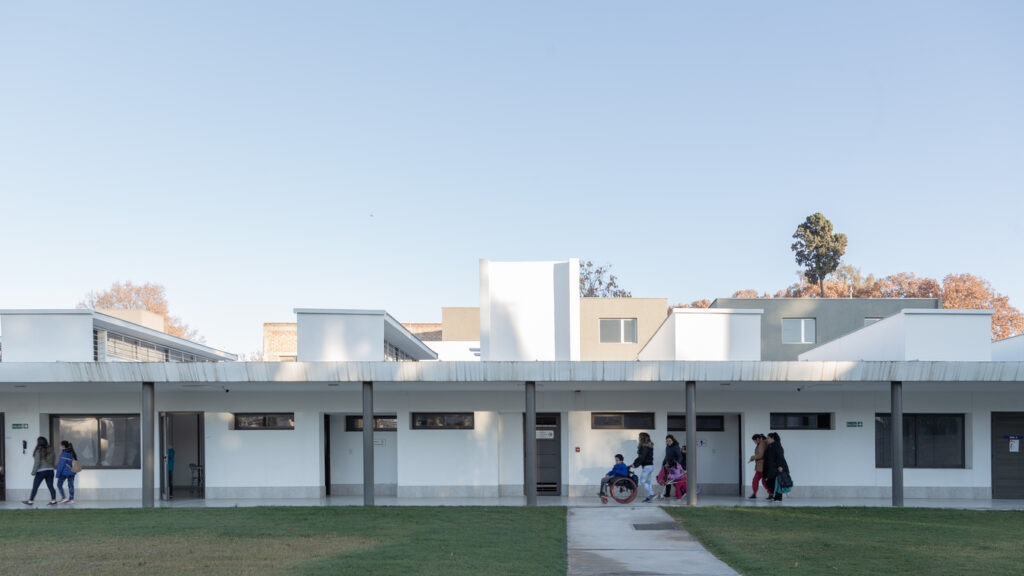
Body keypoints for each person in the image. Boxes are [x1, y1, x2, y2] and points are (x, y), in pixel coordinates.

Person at [24, 436, 58, 506]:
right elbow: (53, 461)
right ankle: (53, 501)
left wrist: (33, 472)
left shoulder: (38, 451)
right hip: (50, 471)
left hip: (41, 471)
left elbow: (37, 463)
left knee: (35, 487)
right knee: (51, 486)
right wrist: (54, 467)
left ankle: (30, 501)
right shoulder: (51, 451)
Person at [763, 432, 790, 502]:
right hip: (771, 468)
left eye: (768, 438)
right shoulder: (770, 446)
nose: (767, 440)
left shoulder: (776, 445)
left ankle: (778, 497)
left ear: (773, 438)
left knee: (776, 482)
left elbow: (779, 456)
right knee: (770, 481)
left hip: (776, 468)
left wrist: (780, 466)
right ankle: (775, 496)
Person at [633, 432, 656, 503]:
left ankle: (652, 494)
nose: (638, 438)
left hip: (647, 467)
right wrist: (635, 463)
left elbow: (642, 458)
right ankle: (650, 498)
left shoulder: (644, 447)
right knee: (648, 482)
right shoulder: (649, 446)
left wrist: (635, 464)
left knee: (642, 481)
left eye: (640, 437)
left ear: (642, 438)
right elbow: (642, 457)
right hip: (650, 466)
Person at [748, 433, 769, 499]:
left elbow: (760, 455)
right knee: (756, 480)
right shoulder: (761, 443)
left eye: (754, 441)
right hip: (760, 466)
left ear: (757, 439)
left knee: (762, 481)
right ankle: (754, 493)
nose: (754, 442)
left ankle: (771, 494)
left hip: (762, 466)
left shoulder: (762, 444)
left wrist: (752, 457)